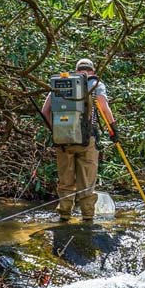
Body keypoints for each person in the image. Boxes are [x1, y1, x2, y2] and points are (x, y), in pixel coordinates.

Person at [42, 58, 118, 223]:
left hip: (62, 141)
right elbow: (103, 106)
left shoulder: (61, 82)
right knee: (87, 181)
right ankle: (88, 217)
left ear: (76, 70)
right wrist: (113, 129)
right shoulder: (95, 84)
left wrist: (56, 130)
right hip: (86, 140)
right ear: (92, 70)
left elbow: (45, 111)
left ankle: (64, 215)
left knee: (65, 181)